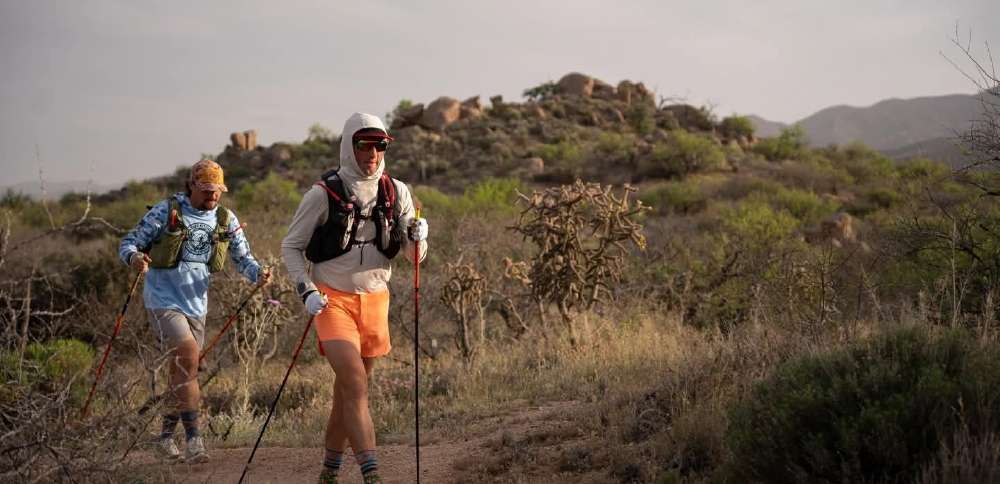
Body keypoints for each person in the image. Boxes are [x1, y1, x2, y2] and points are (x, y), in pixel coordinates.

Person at [281, 112, 428, 484]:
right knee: (356, 383)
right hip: (332, 301)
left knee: (347, 392)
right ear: (349, 145)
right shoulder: (322, 193)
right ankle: (372, 474)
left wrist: (419, 237)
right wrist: (306, 290)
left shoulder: (398, 191)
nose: (373, 153)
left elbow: (413, 257)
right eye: (364, 144)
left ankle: (328, 471)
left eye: (380, 145)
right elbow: (291, 247)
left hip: (376, 299)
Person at [119, 159, 270, 463]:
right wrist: (135, 258)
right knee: (188, 358)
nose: (212, 196)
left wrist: (259, 273)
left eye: (217, 190)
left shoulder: (226, 219)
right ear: (192, 186)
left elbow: (243, 259)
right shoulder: (166, 211)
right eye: (206, 190)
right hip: (162, 299)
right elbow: (128, 243)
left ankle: (163, 439)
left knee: (182, 372)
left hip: (196, 305)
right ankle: (194, 442)